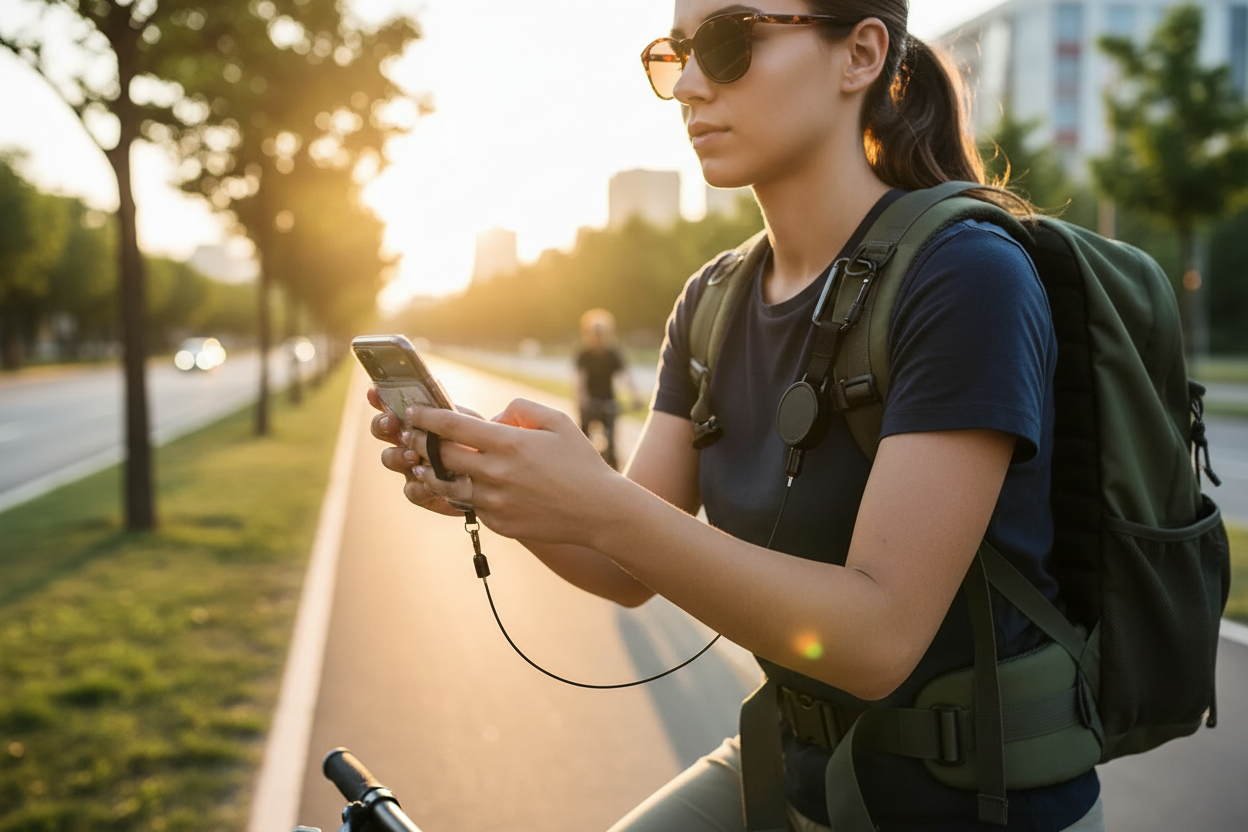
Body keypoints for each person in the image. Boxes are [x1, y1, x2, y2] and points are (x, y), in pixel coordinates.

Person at [368, 1, 1105, 829]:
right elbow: (624, 567)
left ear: (860, 54)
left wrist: (598, 500)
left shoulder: (966, 275)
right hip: (793, 765)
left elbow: (877, 640)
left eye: (727, 42)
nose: (687, 84)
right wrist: (496, 482)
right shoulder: (711, 301)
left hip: (977, 801)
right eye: (675, 51)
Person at [575, 308, 643, 470]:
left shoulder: (613, 354)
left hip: (608, 400)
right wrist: (581, 399)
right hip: (589, 402)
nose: (598, 337)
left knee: (612, 444)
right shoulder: (584, 354)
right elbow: (580, 380)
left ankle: (614, 470)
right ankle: (580, 470)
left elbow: (626, 377)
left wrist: (635, 396)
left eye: (601, 333)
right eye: (595, 333)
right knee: (583, 441)